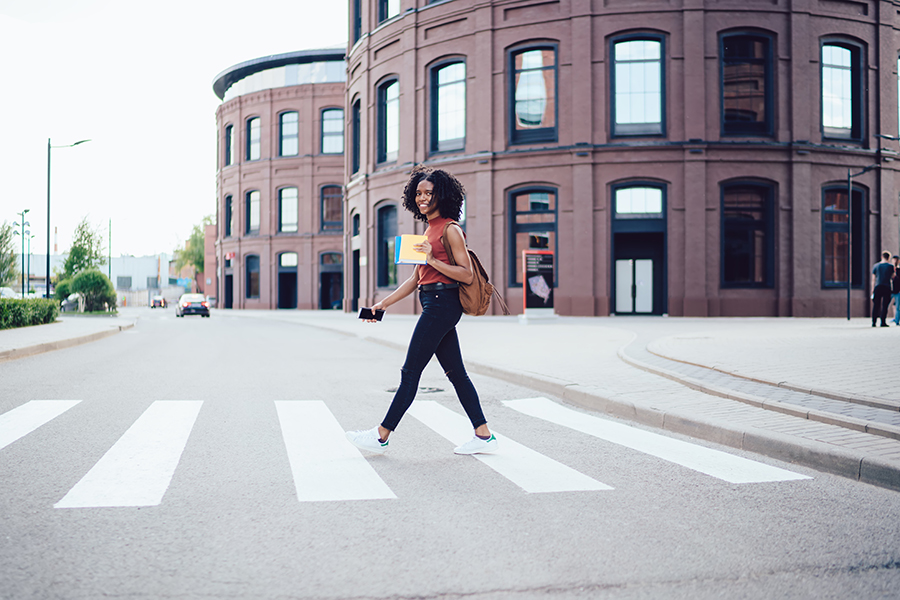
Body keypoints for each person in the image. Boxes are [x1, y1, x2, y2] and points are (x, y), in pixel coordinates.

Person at [345, 166, 498, 456]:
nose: (423, 198)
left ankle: (381, 435)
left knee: (410, 371)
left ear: (443, 195)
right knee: (456, 373)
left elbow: (466, 274)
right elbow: (416, 278)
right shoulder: (428, 230)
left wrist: (433, 260)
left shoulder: (451, 229)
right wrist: (383, 304)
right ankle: (483, 435)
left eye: (429, 193)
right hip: (432, 302)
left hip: (443, 304)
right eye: (418, 193)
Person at [871, 251, 894, 328]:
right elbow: (893, 277)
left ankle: (874, 322)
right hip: (887, 287)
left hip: (878, 286)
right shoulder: (890, 266)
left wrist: (872, 289)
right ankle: (883, 322)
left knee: (876, 305)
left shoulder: (876, 266)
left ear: (882, 257)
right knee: (885, 305)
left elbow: (873, 279)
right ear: (889, 258)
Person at [892, 256, 900, 325]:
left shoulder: (899, 270)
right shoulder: (890, 268)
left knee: (897, 306)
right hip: (890, 290)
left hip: (897, 291)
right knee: (888, 305)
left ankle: (897, 320)